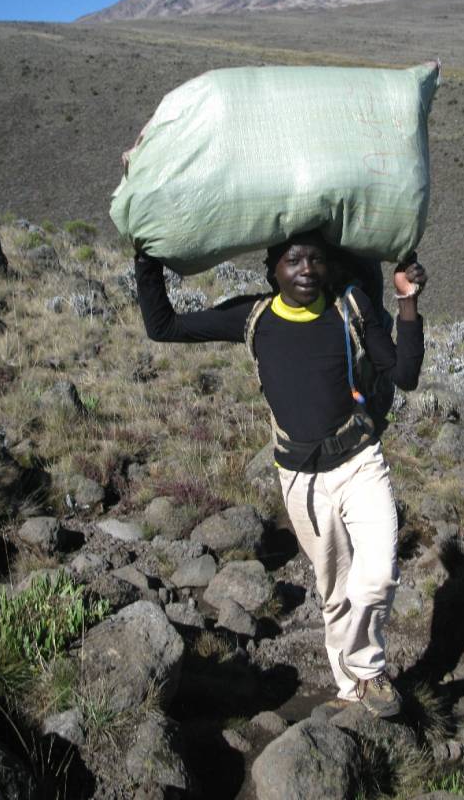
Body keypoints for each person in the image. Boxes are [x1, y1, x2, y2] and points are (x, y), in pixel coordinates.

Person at [134, 231, 426, 718]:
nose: (306, 269)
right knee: (335, 590)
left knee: (376, 577)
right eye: (294, 260)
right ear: (273, 270)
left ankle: (368, 670)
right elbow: (163, 326)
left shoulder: (350, 308)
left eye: (315, 259)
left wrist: (407, 300)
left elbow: (405, 374)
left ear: (330, 266)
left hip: (360, 463)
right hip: (301, 478)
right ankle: (351, 689)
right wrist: (146, 261)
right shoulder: (255, 317)